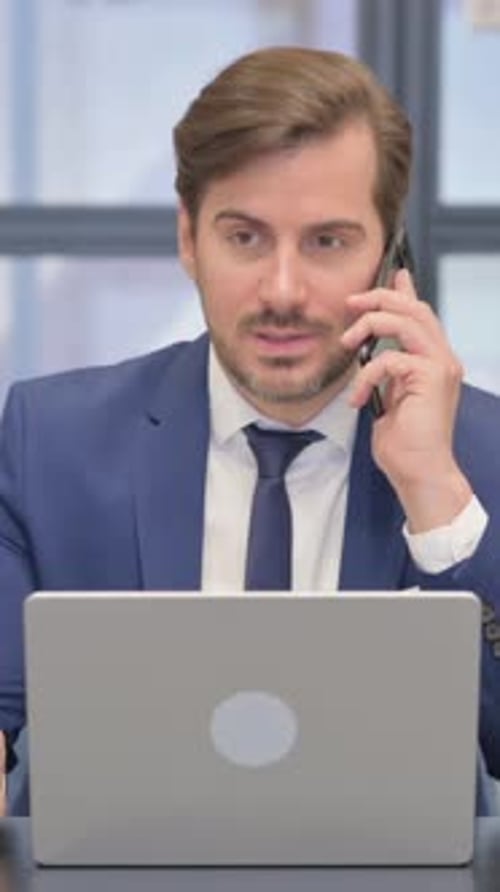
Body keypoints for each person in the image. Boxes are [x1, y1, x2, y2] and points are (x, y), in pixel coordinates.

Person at [1, 46, 500, 817]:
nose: (283, 291)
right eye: (245, 238)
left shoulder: (478, 458)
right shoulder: (50, 442)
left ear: (390, 254)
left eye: (328, 242)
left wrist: (435, 497)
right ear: (188, 238)